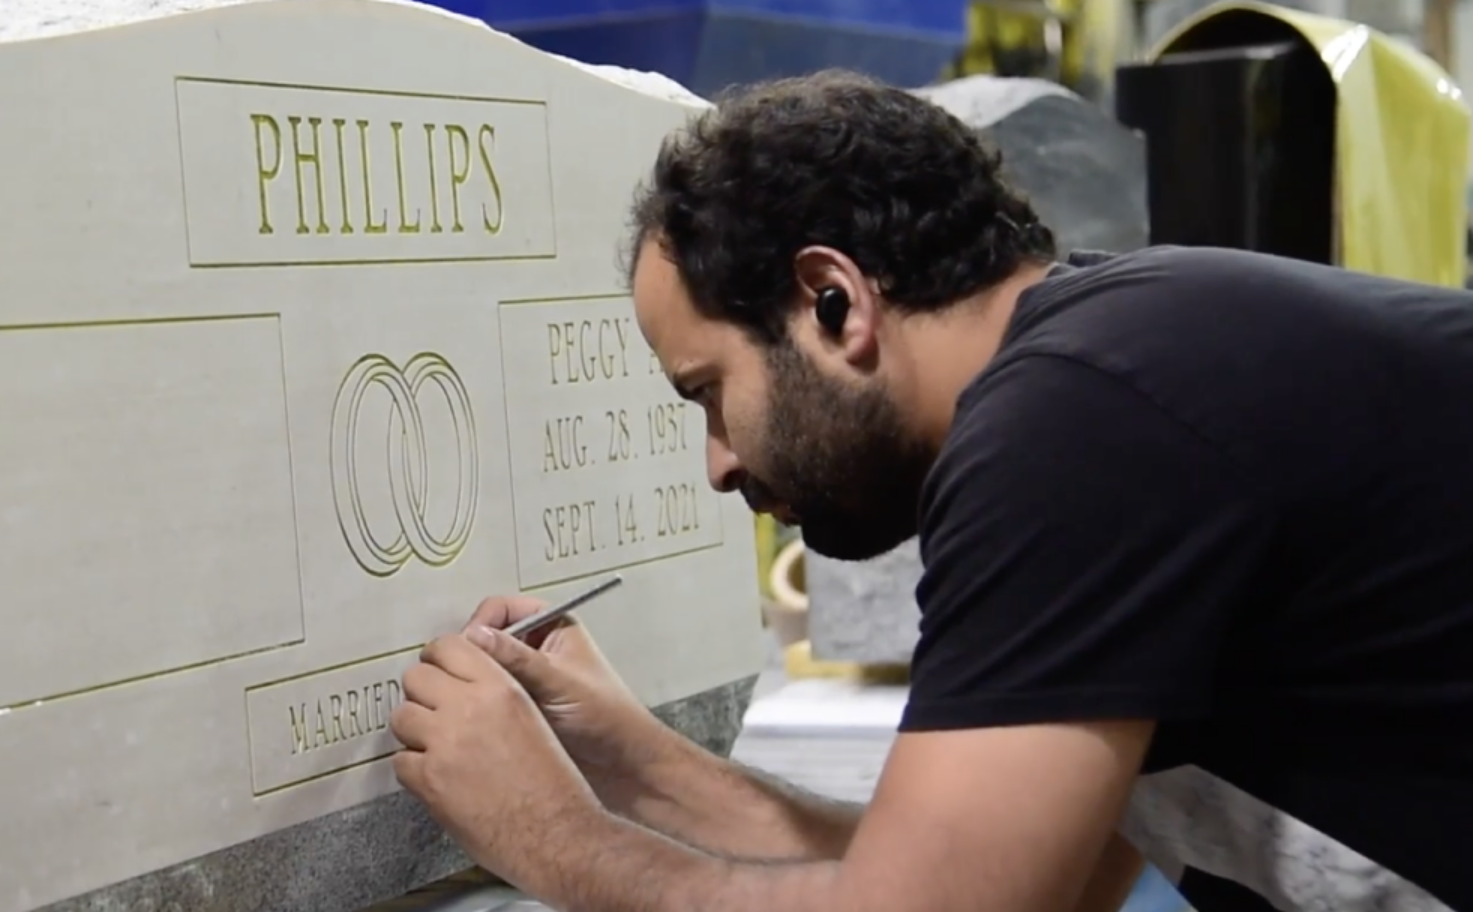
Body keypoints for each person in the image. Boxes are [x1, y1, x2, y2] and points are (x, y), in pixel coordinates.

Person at [386, 68, 1473, 912]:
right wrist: (635, 765)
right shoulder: (1101, 360)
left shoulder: (1078, 423)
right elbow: (1002, 870)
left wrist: (548, 835)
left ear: (832, 302)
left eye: (709, 393)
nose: (717, 461)